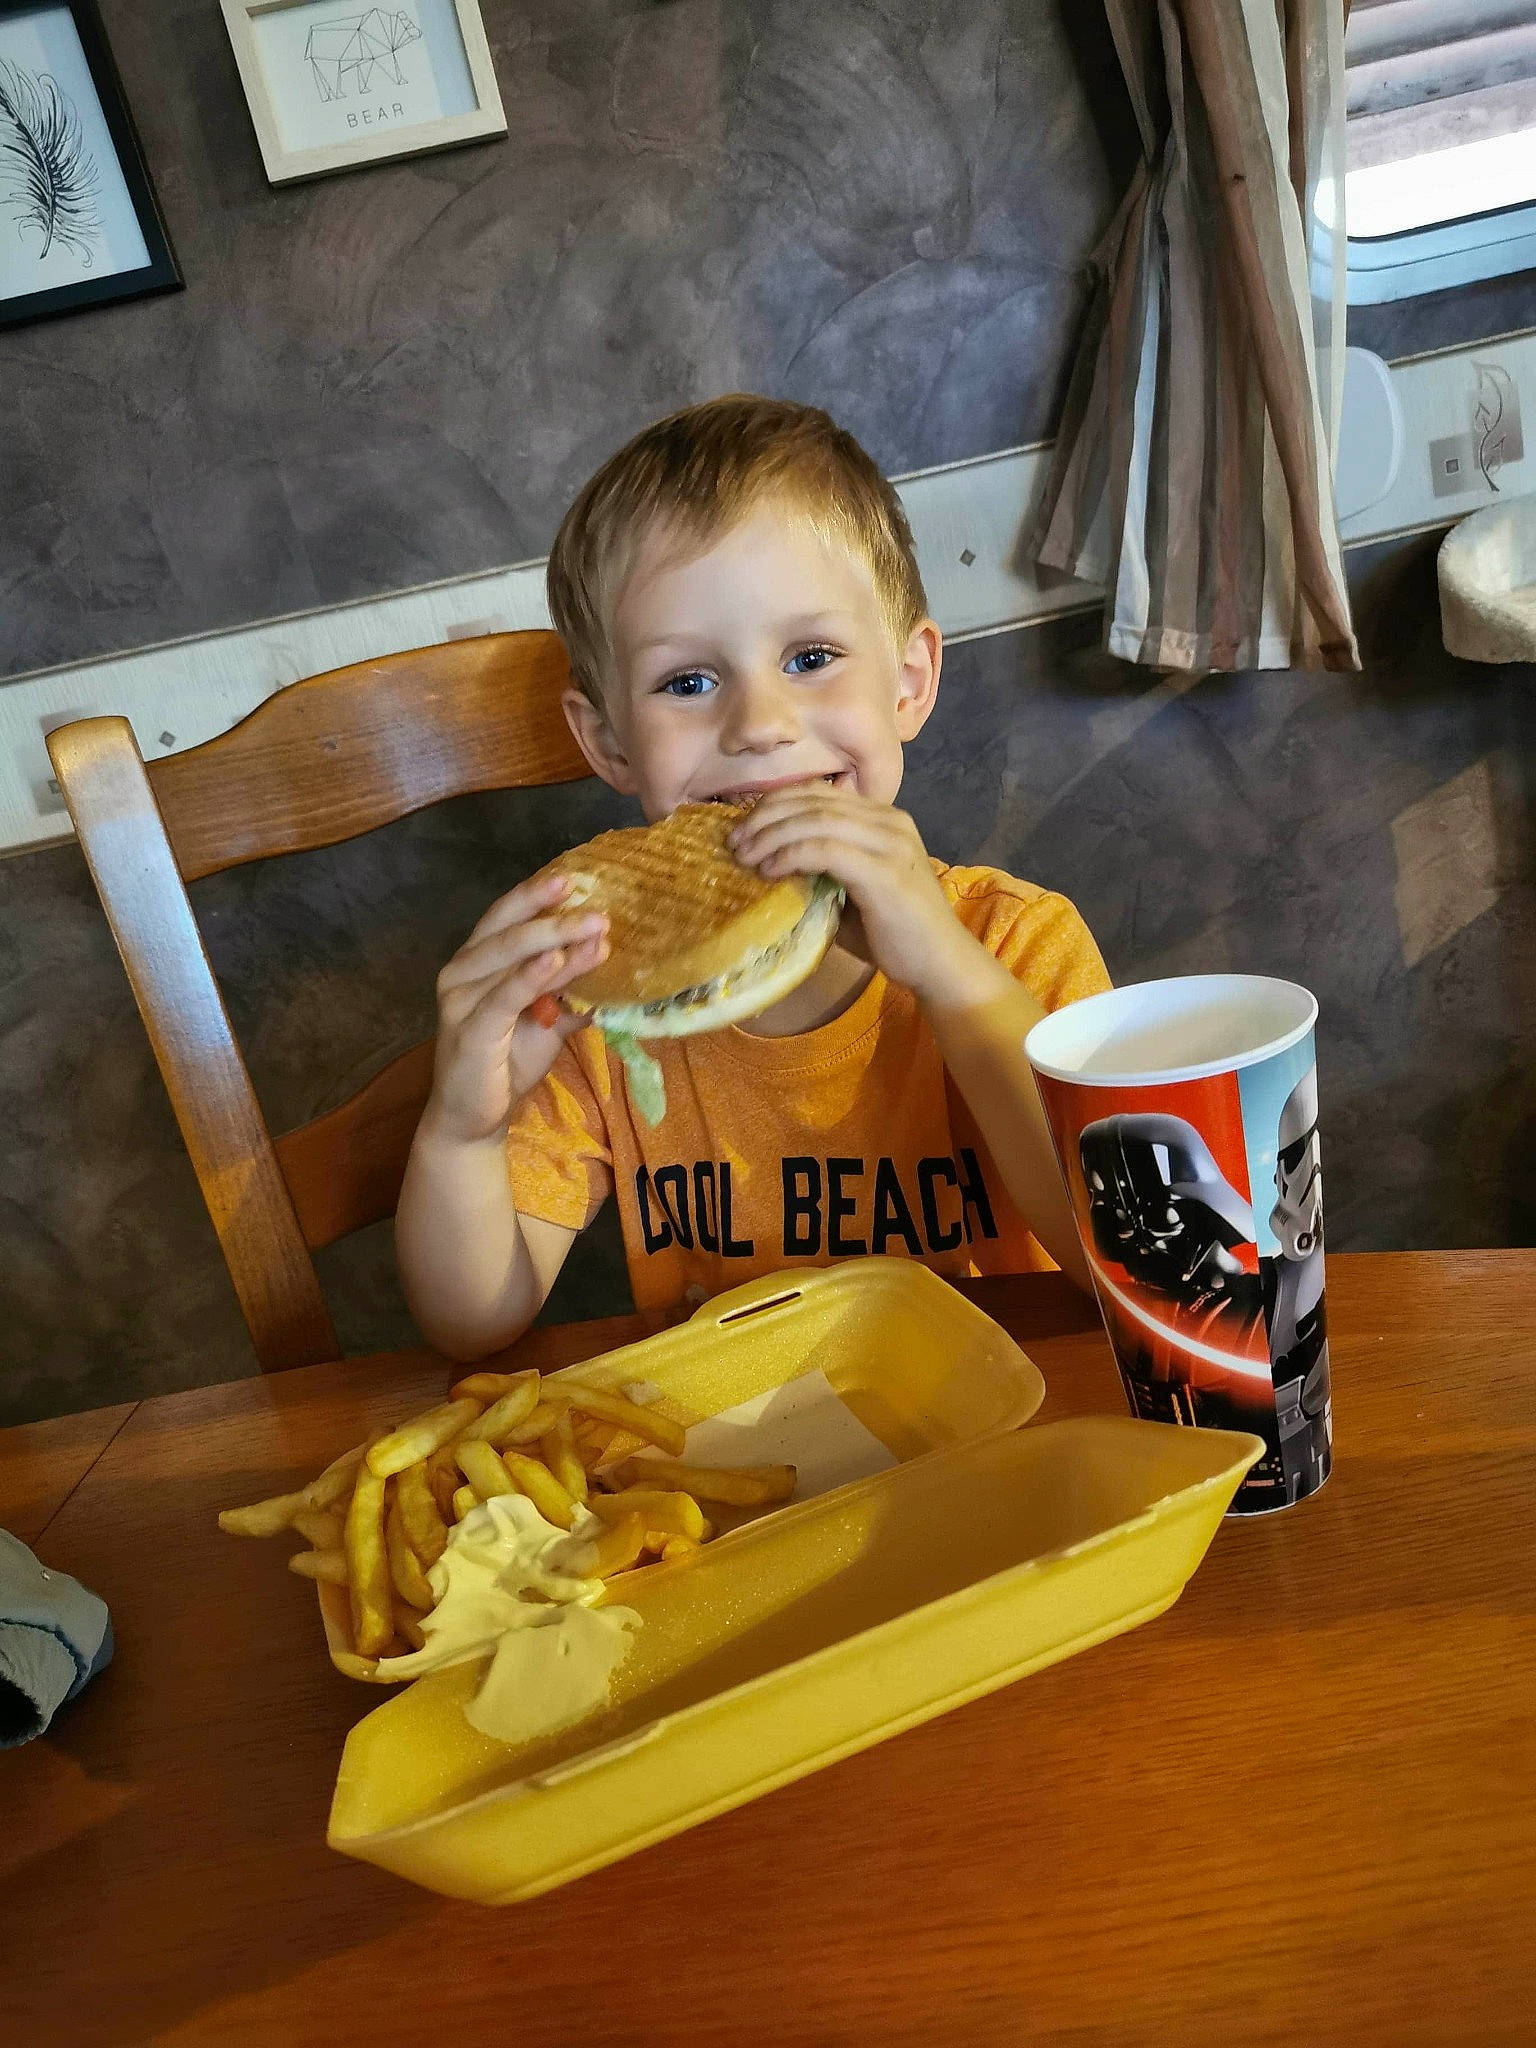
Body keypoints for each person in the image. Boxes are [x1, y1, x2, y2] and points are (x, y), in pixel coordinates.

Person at [396, 394, 1111, 1359]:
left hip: (1003, 1429)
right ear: (608, 742)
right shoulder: (598, 995)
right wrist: (462, 1130)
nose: (760, 724)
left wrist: (948, 973)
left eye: (811, 657)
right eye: (688, 682)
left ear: (907, 683)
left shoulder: (1014, 942)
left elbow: (1118, 1255)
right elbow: (473, 1320)